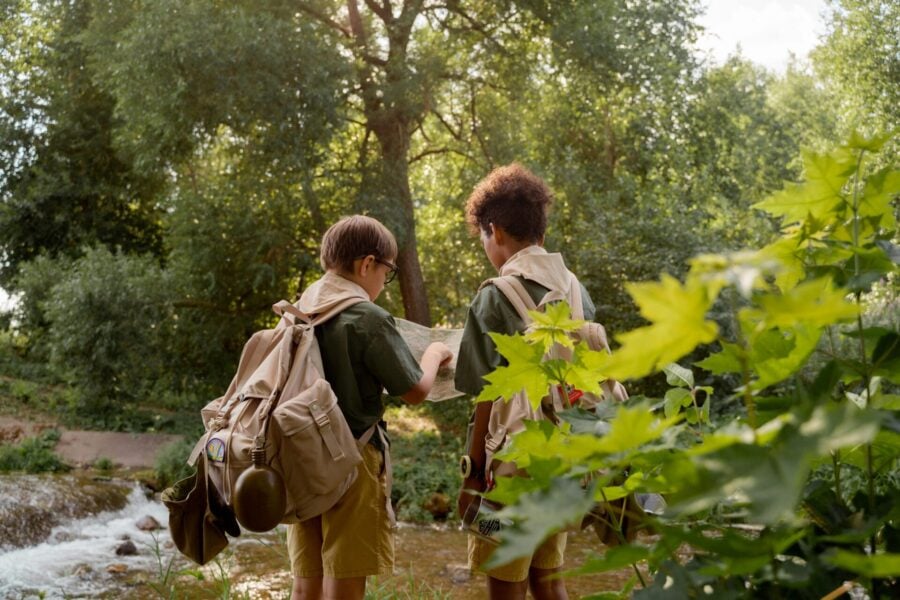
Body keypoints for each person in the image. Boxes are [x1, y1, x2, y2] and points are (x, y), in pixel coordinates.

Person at [288, 215, 452, 600]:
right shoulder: (367, 318)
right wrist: (435, 353)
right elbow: (415, 391)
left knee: (305, 581)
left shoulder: (300, 309)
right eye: (388, 271)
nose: (384, 280)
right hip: (352, 459)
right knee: (344, 579)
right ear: (366, 264)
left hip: (299, 454)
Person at [454, 163, 598, 600]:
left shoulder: (494, 296)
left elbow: (484, 393)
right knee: (549, 577)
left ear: (493, 231)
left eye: (482, 237)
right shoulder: (576, 292)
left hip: (509, 470)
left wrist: (473, 473)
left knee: (505, 578)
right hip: (566, 460)